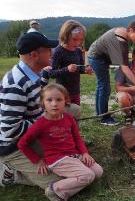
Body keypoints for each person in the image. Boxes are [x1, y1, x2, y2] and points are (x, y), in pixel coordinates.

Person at [0, 32, 80, 190]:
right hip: (13, 146)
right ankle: (10, 172)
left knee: (73, 110)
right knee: (62, 179)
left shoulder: (33, 72)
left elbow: (39, 93)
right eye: (48, 50)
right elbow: (9, 130)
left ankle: (68, 143)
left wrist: (58, 99)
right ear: (34, 54)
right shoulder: (15, 84)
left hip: (36, 128)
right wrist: (46, 122)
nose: (51, 53)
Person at [18, 83, 103, 201]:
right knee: (88, 175)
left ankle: (74, 181)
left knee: (98, 172)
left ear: (66, 101)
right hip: (57, 159)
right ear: (43, 103)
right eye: (49, 100)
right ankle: (54, 190)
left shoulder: (69, 118)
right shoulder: (40, 125)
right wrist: (38, 160)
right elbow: (22, 143)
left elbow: (77, 138)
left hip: (74, 156)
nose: (54, 104)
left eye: (59, 99)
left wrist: (84, 153)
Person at [87, 20, 135, 126]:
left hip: (99, 56)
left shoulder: (123, 33)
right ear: (131, 30)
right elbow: (124, 67)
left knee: (101, 86)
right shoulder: (121, 41)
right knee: (104, 87)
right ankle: (104, 118)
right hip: (96, 57)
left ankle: (100, 114)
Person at [48, 20, 93, 106]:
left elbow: (79, 69)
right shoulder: (58, 51)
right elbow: (51, 73)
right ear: (65, 36)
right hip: (62, 92)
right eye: (74, 39)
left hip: (76, 91)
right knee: (64, 117)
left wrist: (86, 70)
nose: (78, 43)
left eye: (80, 40)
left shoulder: (78, 51)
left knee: (75, 115)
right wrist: (67, 69)